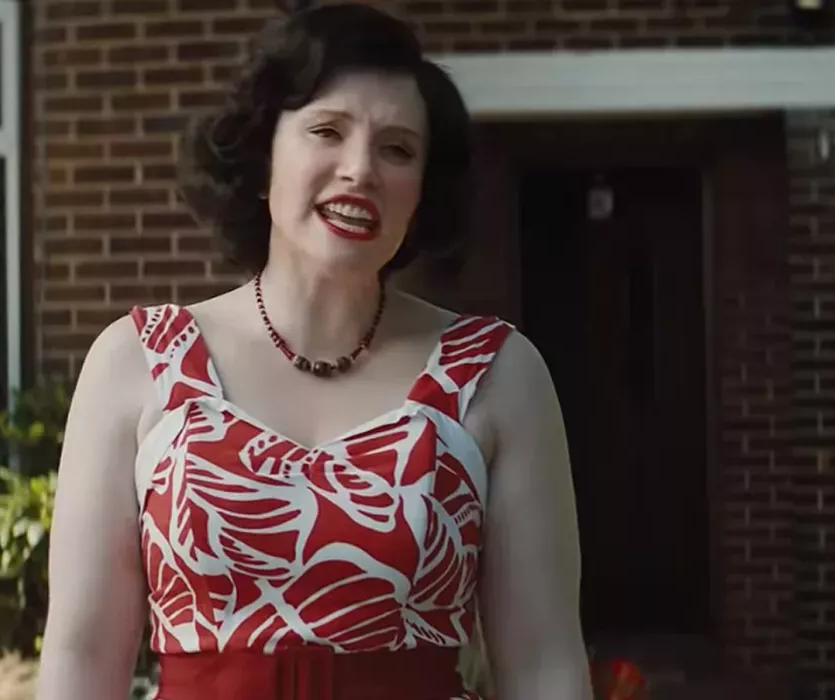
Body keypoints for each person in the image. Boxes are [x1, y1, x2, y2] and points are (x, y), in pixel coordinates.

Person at [34, 4, 590, 699]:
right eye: (327, 131)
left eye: (397, 150)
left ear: (423, 193)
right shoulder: (137, 363)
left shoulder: (498, 375)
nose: (360, 170)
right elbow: (82, 656)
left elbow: (545, 666)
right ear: (262, 158)